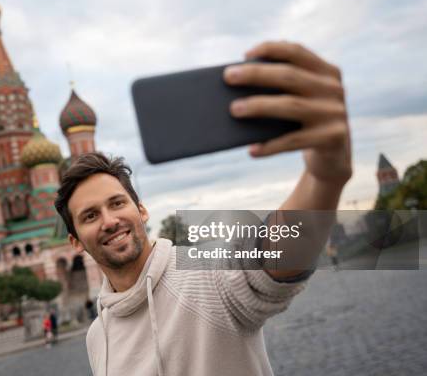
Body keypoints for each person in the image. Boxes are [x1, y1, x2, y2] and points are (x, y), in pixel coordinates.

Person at [54, 41, 352, 376]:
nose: (110, 221)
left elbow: (274, 256)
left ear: (142, 211)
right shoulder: (98, 337)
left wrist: (324, 176)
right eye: (90, 216)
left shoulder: (204, 276)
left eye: (117, 203)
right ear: (76, 241)